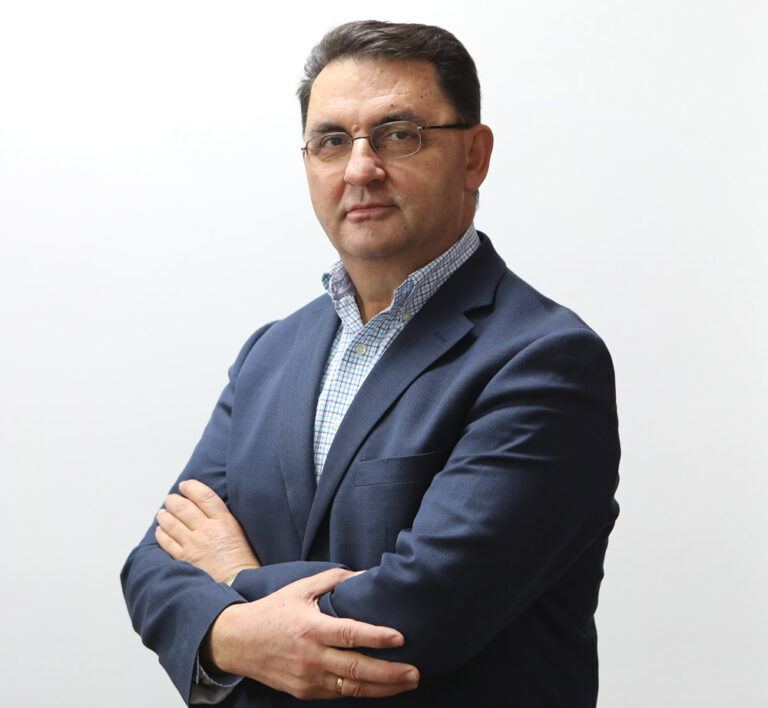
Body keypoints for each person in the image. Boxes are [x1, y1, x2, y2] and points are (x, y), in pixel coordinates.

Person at [121, 19, 620, 707]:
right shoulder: (270, 353)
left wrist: (233, 578)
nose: (360, 169)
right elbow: (153, 567)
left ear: (474, 156)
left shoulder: (544, 361)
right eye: (332, 141)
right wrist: (235, 633)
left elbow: (417, 617)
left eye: (399, 134)